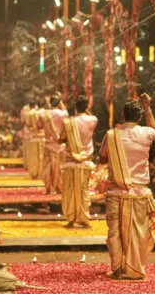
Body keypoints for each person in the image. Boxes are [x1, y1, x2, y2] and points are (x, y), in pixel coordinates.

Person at [98, 94, 155, 281]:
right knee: (138, 232)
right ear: (140, 117)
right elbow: (154, 128)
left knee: (114, 231)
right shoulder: (146, 133)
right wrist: (148, 107)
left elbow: (101, 159)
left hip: (116, 191)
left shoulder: (111, 135)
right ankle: (135, 269)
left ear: (123, 115)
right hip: (139, 193)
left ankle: (117, 269)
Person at [60, 95, 97, 228]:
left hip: (71, 162)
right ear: (86, 107)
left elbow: (61, 139)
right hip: (86, 161)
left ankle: (71, 220)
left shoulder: (68, 122)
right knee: (84, 191)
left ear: (75, 107)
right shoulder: (93, 119)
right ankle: (84, 220)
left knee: (70, 191)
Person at [40, 95, 68, 195]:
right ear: (59, 103)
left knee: (48, 166)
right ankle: (59, 187)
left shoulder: (44, 114)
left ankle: (48, 188)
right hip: (60, 144)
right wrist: (61, 102)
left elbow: (39, 126)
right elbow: (66, 115)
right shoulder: (64, 113)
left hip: (48, 143)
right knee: (60, 166)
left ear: (50, 102)